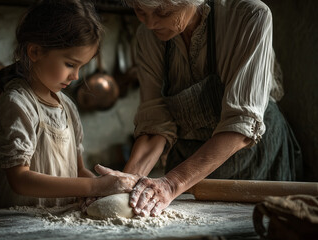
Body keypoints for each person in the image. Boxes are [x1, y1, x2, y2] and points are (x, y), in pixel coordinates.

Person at [119, 0, 303, 217]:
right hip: (188, 159)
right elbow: (155, 125)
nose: (150, 23)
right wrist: (125, 183)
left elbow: (241, 125)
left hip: (253, 158)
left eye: (162, 11)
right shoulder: (147, 36)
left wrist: (171, 183)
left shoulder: (249, 16)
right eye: (140, 11)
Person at [0, 0, 138, 210]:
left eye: (82, 66)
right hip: (15, 222)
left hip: (56, 219)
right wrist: (94, 186)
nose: (76, 76)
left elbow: (79, 170)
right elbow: (19, 179)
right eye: (70, 64)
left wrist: (101, 189)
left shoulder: (67, 107)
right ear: (35, 51)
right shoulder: (18, 104)